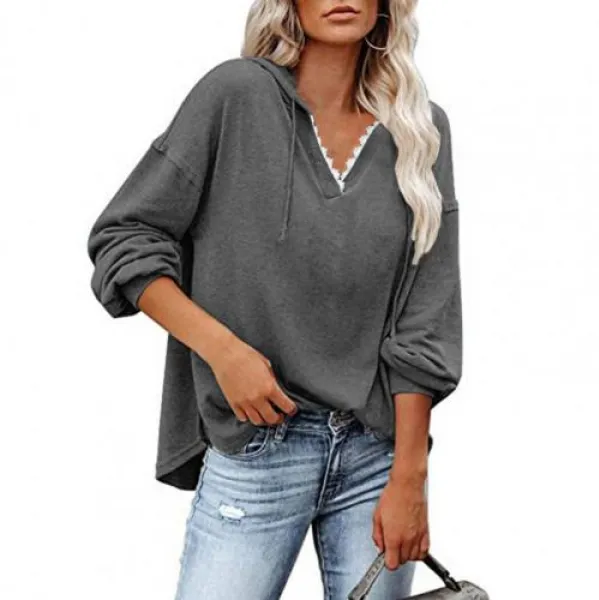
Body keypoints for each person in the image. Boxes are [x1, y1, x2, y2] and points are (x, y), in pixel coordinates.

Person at [86, 1, 462, 598]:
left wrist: (410, 475)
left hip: (376, 456)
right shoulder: (235, 96)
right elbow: (126, 236)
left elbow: (426, 315)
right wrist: (223, 351)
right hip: (259, 447)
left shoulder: (420, 130)